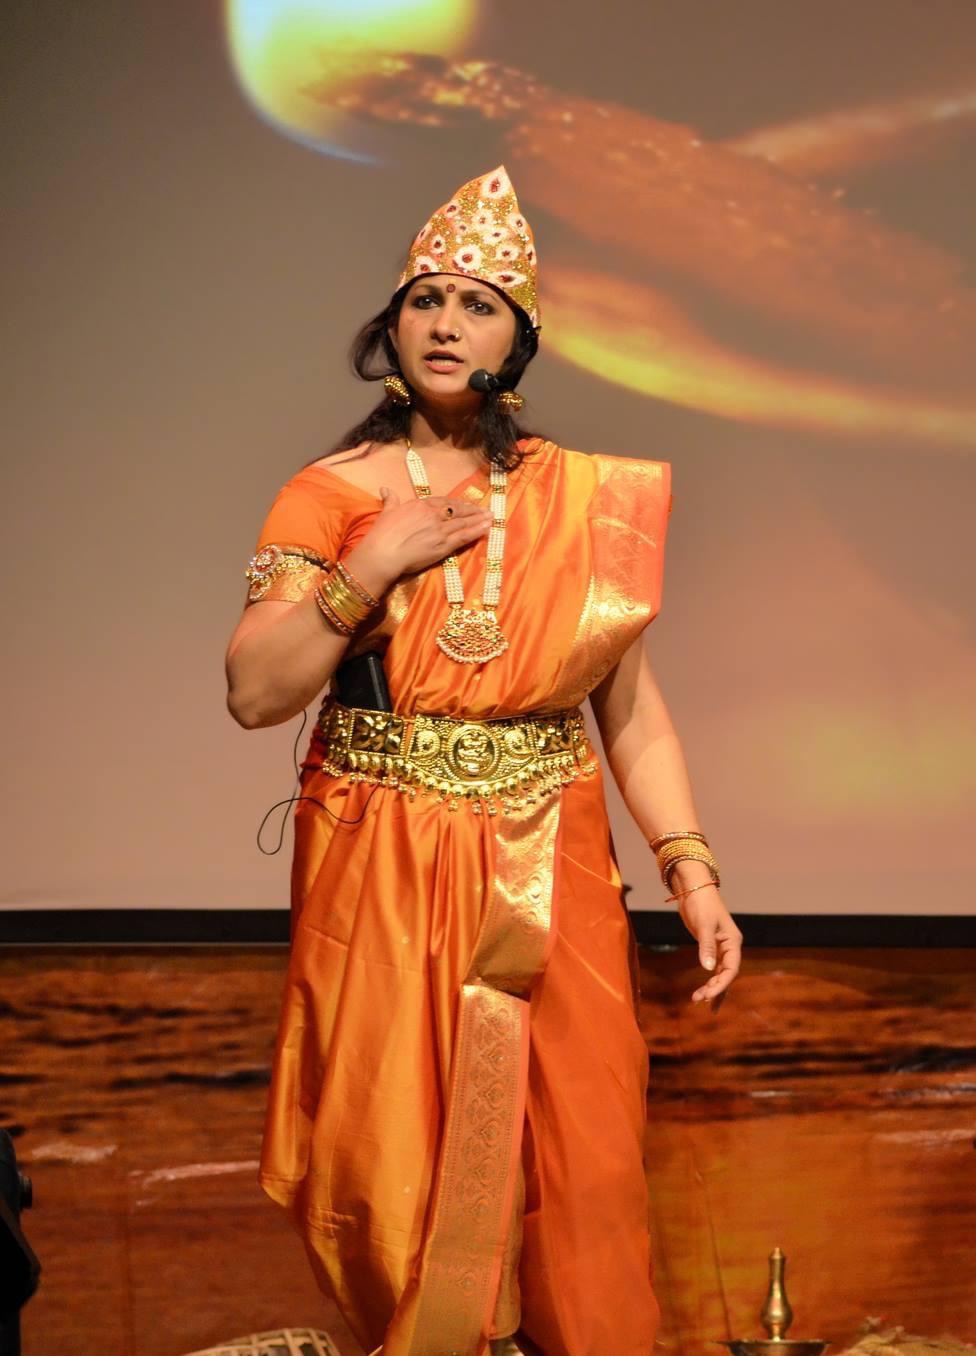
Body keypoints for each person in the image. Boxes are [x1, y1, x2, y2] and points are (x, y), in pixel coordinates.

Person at [224, 166, 741, 1356]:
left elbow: (632, 713)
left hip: (550, 855)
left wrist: (692, 871)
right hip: (383, 857)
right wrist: (371, 567)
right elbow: (255, 691)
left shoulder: (581, 499)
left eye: (478, 305)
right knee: (395, 1163)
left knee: (578, 1158)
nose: (447, 323)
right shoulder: (329, 495)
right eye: (427, 300)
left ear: (519, 341)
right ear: (392, 326)